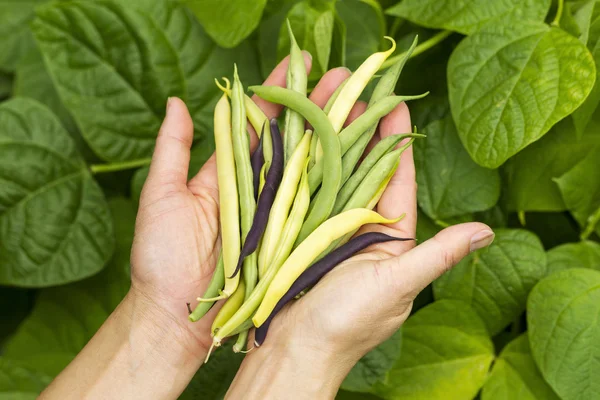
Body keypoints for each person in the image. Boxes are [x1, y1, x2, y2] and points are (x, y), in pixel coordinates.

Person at [38, 53, 495, 400]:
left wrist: (163, 319)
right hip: (241, 303)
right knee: (291, 181)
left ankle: (241, 310)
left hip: (243, 304)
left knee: (297, 180)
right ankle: (241, 309)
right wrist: (165, 314)